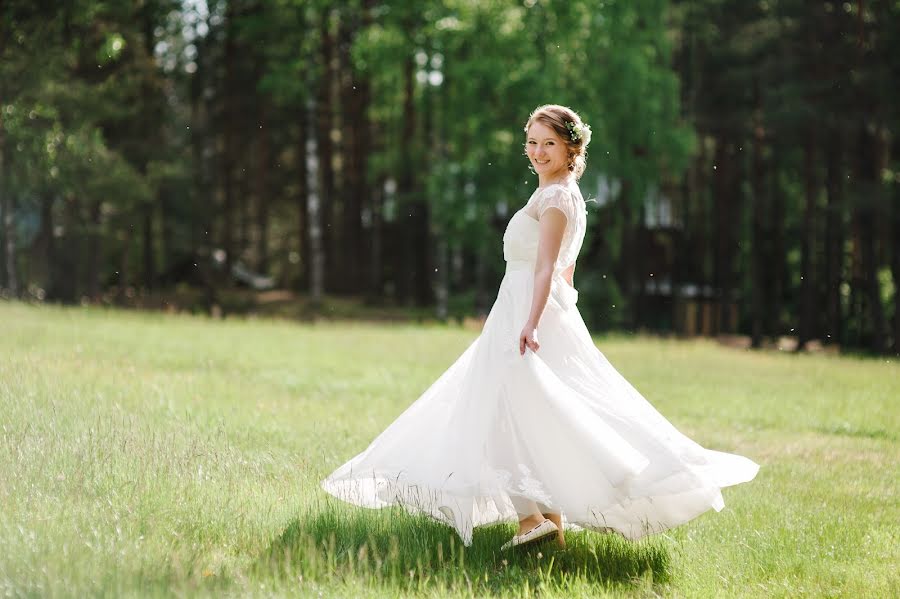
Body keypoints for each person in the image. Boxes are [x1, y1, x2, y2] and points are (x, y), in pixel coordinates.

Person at [320, 104, 759, 551]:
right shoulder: (560, 193)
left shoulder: (556, 198)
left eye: (549, 143)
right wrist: (556, 311)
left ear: (571, 147)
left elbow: (547, 265)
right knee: (527, 410)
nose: (538, 151)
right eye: (532, 142)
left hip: (524, 312)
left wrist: (531, 322)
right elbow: (566, 270)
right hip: (528, 307)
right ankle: (548, 522)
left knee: (496, 409)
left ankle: (531, 519)